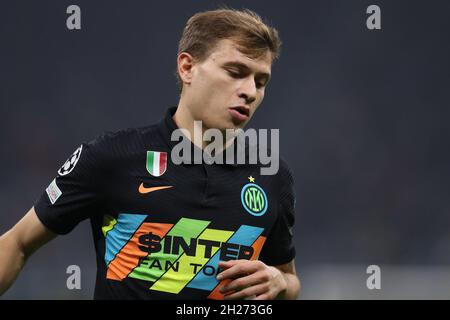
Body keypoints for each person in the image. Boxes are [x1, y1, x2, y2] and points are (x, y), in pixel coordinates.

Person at [0, 8, 300, 300]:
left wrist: (281, 284)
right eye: (236, 72)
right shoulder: (112, 158)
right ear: (187, 68)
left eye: (261, 82)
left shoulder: (272, 176)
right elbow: (18, 243)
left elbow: (288, 278)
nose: (250, 90)